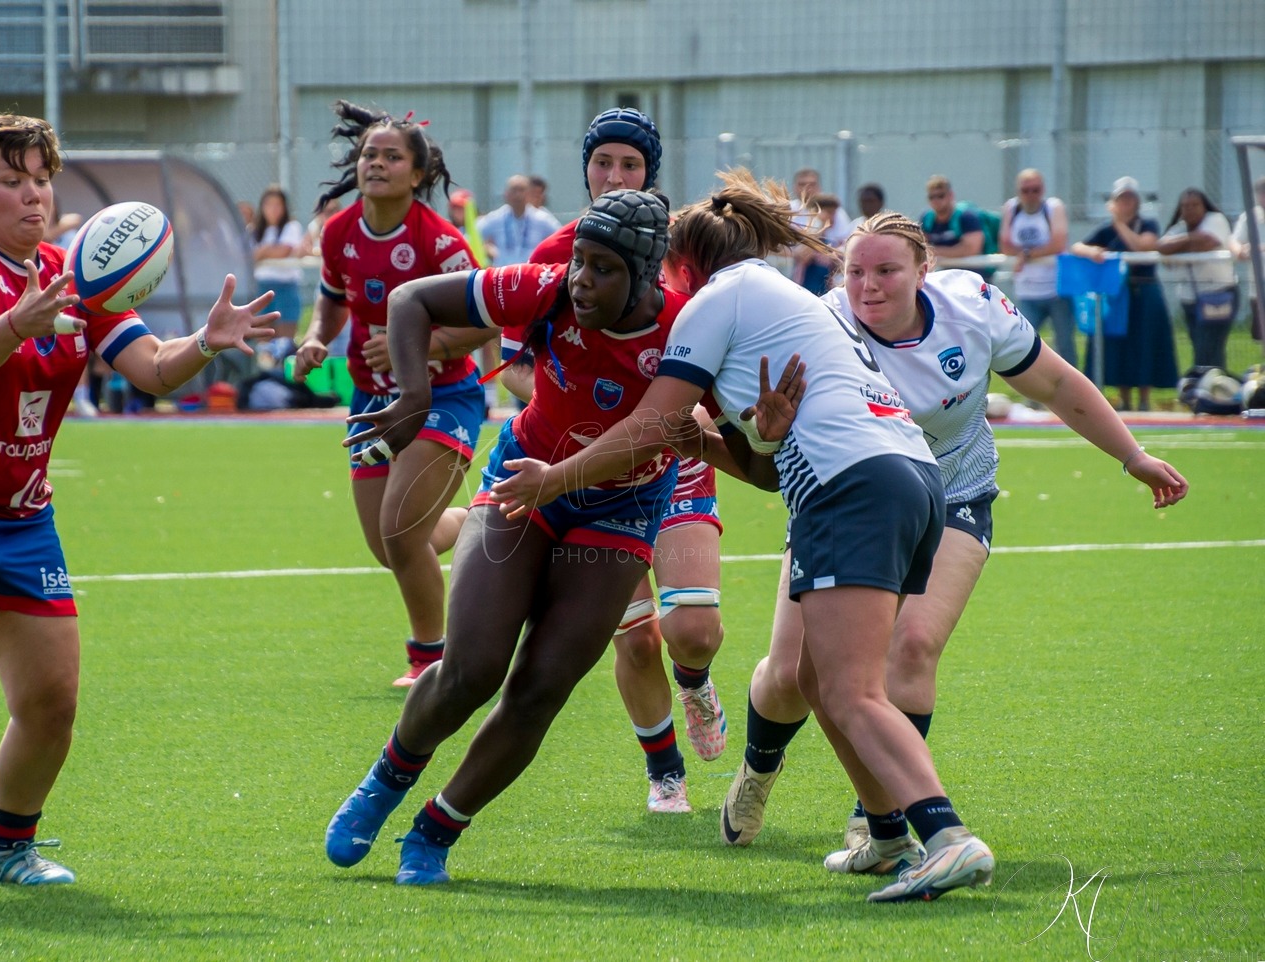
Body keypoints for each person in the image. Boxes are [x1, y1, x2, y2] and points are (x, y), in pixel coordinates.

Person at [491, 169, 1001, 903]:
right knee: (821, 682)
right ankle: (888, 836)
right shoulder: (782, 299)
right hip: (908, 477)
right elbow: (759, 469)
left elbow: (648, 426)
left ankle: (948, 837)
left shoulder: (714, 301)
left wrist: (556, 477)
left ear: (681, 264)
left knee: (855, 690)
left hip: (850, 485)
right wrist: (744, 438)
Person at [0, 108, 277, 897]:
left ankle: (10, 847)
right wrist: (15, 322)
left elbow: (150, 370)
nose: (34, 197)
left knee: (51, 699)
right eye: (12, 181)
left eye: (42, 180)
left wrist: (205, 342)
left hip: (22, 517)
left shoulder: (78, 270)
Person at [727, 211, 1188, 878]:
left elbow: (1055, 383)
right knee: (791, 677)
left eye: (887, 270)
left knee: (911, 648)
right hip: (842, 506)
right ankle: (758, 769)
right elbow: (759, 438)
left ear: (923, 271)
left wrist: (1132, 455)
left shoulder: (973, 308)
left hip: (953, 499)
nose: (870, 285)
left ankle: (878, 817)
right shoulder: (819, 325)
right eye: (856, 271)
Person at [325, 189, 711, 885]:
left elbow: (648, 439)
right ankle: (386, 780)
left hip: (618, 507)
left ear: (648, 277)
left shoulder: (686, 332)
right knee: (472, 668)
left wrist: (761, 429)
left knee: (542, 687)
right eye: (579, 264)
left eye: (602, 270)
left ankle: (436, 831)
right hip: (521, 480)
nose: (581, 281)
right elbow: (412, 300)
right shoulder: (546, 289)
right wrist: (414, 395)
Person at [529, 107, 728, 814]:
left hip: (674, 456)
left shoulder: (685, 251)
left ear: (652, 173)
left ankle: (697, 682)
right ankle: (663, 771)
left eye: (630, 165)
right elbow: (516, 367)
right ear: (585, 166)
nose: (614, 175)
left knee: (693, 632)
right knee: (636, 642)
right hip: (591, 475)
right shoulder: (558, 250)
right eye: (604, 162)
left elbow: (717, 354)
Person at [293, 101, 490, 687]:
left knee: (402, 532)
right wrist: (314, 338)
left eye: (391, 156)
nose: (375, 163)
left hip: (443, 399)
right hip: (370, 404)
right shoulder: (338, 232)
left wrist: (424, 350)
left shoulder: (441, 242)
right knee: (393, 545)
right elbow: (331, 299)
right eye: (369, 154)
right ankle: (484, 522)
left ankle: (432, 658)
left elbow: (489, 320)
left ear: (418, 174)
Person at [1071, 176, 1178, 411]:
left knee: (1145, 344)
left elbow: (1143, 246)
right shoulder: (1105, 230)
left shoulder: (1147, 224)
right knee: (1120, 346)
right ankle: (1124, 397)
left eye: (1130, 198)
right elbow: (1077, 246)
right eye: (1121, 198)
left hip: (1144, 293)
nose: (1126, 203)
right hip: (1118, 297)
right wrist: (1093, 252)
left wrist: (1120, 223)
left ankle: (1143, 398)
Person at [1001, 169, 1076, 368]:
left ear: (1042, 190)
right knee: (1024, 345)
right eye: (1026, 190)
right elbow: (1005, 246)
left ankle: (1072, 397)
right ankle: (1034, 395)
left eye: (1036, 190)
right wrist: (1035, 252)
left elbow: (1058, 243)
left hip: (1057, 290)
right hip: (1027, 291)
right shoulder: (1012, 208)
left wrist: (1024, 255)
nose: (1031, 195)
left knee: (1065, 345)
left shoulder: (1052, 207)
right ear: (1018, 191)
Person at [1159, 187, 1237, 369]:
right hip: (1190, 298)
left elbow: (1208, 242)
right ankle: (1204, 387)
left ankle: (1214, 388)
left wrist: (1180, 245)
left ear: (1204, 206)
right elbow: (1162, 246)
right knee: (1198, 346)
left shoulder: (1215, 220)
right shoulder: (1179, 228)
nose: (1190, 210)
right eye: (1185, 206)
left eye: (1195, 205)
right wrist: (1191, 240)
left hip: (1218, 294)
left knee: (1210, 348)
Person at [251, 185, 308, 359]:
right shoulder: (254, 230)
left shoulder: (292, 226)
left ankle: (284, 376)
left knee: (286, 340)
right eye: (269, 204)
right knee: (263, 338)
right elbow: (249, 256)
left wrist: (263, 251)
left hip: (286, 287)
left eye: (278, 205)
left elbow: (284, 250)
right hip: (262, 288)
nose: (273, 209)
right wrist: (269, 250)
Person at [477, 174, 560, 267]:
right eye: (514, 190)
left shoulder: (541, 219)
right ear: (506, 194)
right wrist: (486, 251)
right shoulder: (496, 218)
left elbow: (560, 239)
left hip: (530, 274)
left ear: (529, 194)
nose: (518, 195)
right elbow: (471, 236)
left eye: (521, 190)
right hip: (503, 275)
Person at [1231, 176, 1265, 339]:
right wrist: (1240, 251)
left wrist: (1257, 248)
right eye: (1262, 192)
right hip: (1258, 289)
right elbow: (1234, 241)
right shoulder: (1250, 216)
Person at [920, 175, 984, 261]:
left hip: (970, 270)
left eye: (940, 196)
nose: (936, 200)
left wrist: (935, 251)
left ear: (951, 195)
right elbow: (921, 248)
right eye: (932, 197)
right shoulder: (926, 219)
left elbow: (971, 250)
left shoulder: (967, 216)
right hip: (941, 270)